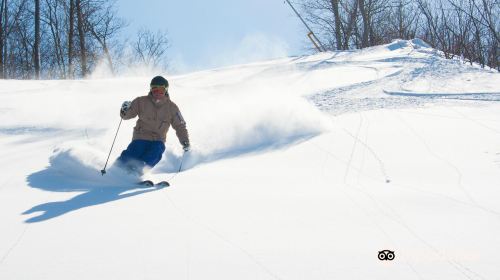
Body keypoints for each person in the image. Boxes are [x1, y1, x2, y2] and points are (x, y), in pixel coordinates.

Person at [116, 75, 190, 175]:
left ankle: (138, 171)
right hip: (141, 136)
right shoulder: (141, 101)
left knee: (156, 151)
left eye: (161, 90)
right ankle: (117, 169)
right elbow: (127, 116)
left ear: (166, 91)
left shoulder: (172, 107)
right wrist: (124, 110)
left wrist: (185, 141)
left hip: (158, 139)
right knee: (136, 149)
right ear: (151, 90)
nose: (158, 93)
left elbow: (180, 126)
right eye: (155, 90)